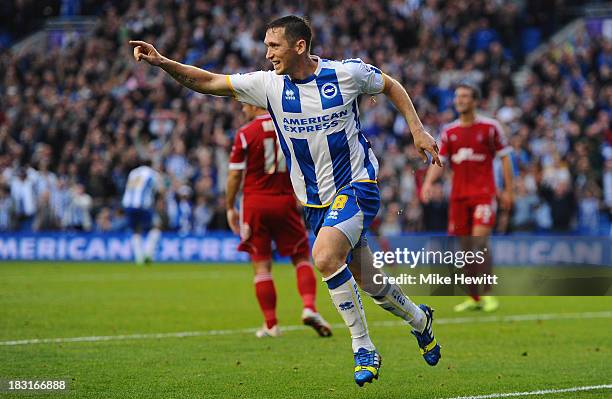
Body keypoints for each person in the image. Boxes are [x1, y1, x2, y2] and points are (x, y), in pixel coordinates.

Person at [130, 15, 442, 386]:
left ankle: (363, 346)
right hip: (314, 202)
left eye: (273, 45)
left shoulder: (346, 74)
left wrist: (417, 129)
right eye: (265, 45)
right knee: (370, 281)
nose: (267, 53)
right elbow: (210, 81)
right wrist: (163, 62)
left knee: (325, 257)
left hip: (357, 185)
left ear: (299, 46)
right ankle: (419, 320)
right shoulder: (268, 86)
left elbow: (390, 85)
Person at [226, 103, 331, 339]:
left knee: (261, 265)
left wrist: (229, 206)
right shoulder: (288, 126)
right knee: (301, 257)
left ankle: (271, 325)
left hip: (254, 204)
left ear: (255, 103)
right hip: (285, 200)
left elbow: (234, 173)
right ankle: (309, 307)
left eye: (244, 104)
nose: (242, 109)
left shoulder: (245, 133)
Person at [421, 83, 514, 313]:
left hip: (484, 195)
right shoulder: (450, 132)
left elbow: (505, 158)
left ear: (475, 101)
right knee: (465, 251)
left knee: (478, 243)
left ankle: (488, 293)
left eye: (465, 96)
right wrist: (428, 183)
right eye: (457, 97)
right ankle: (474, 298)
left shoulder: (490, 128)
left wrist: (509, 190)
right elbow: (440, 160)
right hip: (459, 198)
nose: (460, 100)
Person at [122, 159, 163, 265]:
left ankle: (139, 259)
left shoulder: (133, 172)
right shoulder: (153, 173)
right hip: (142, 204)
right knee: (156, 227)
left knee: (136, 230)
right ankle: (148, 254)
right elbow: (160, 190)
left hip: (128, 204)